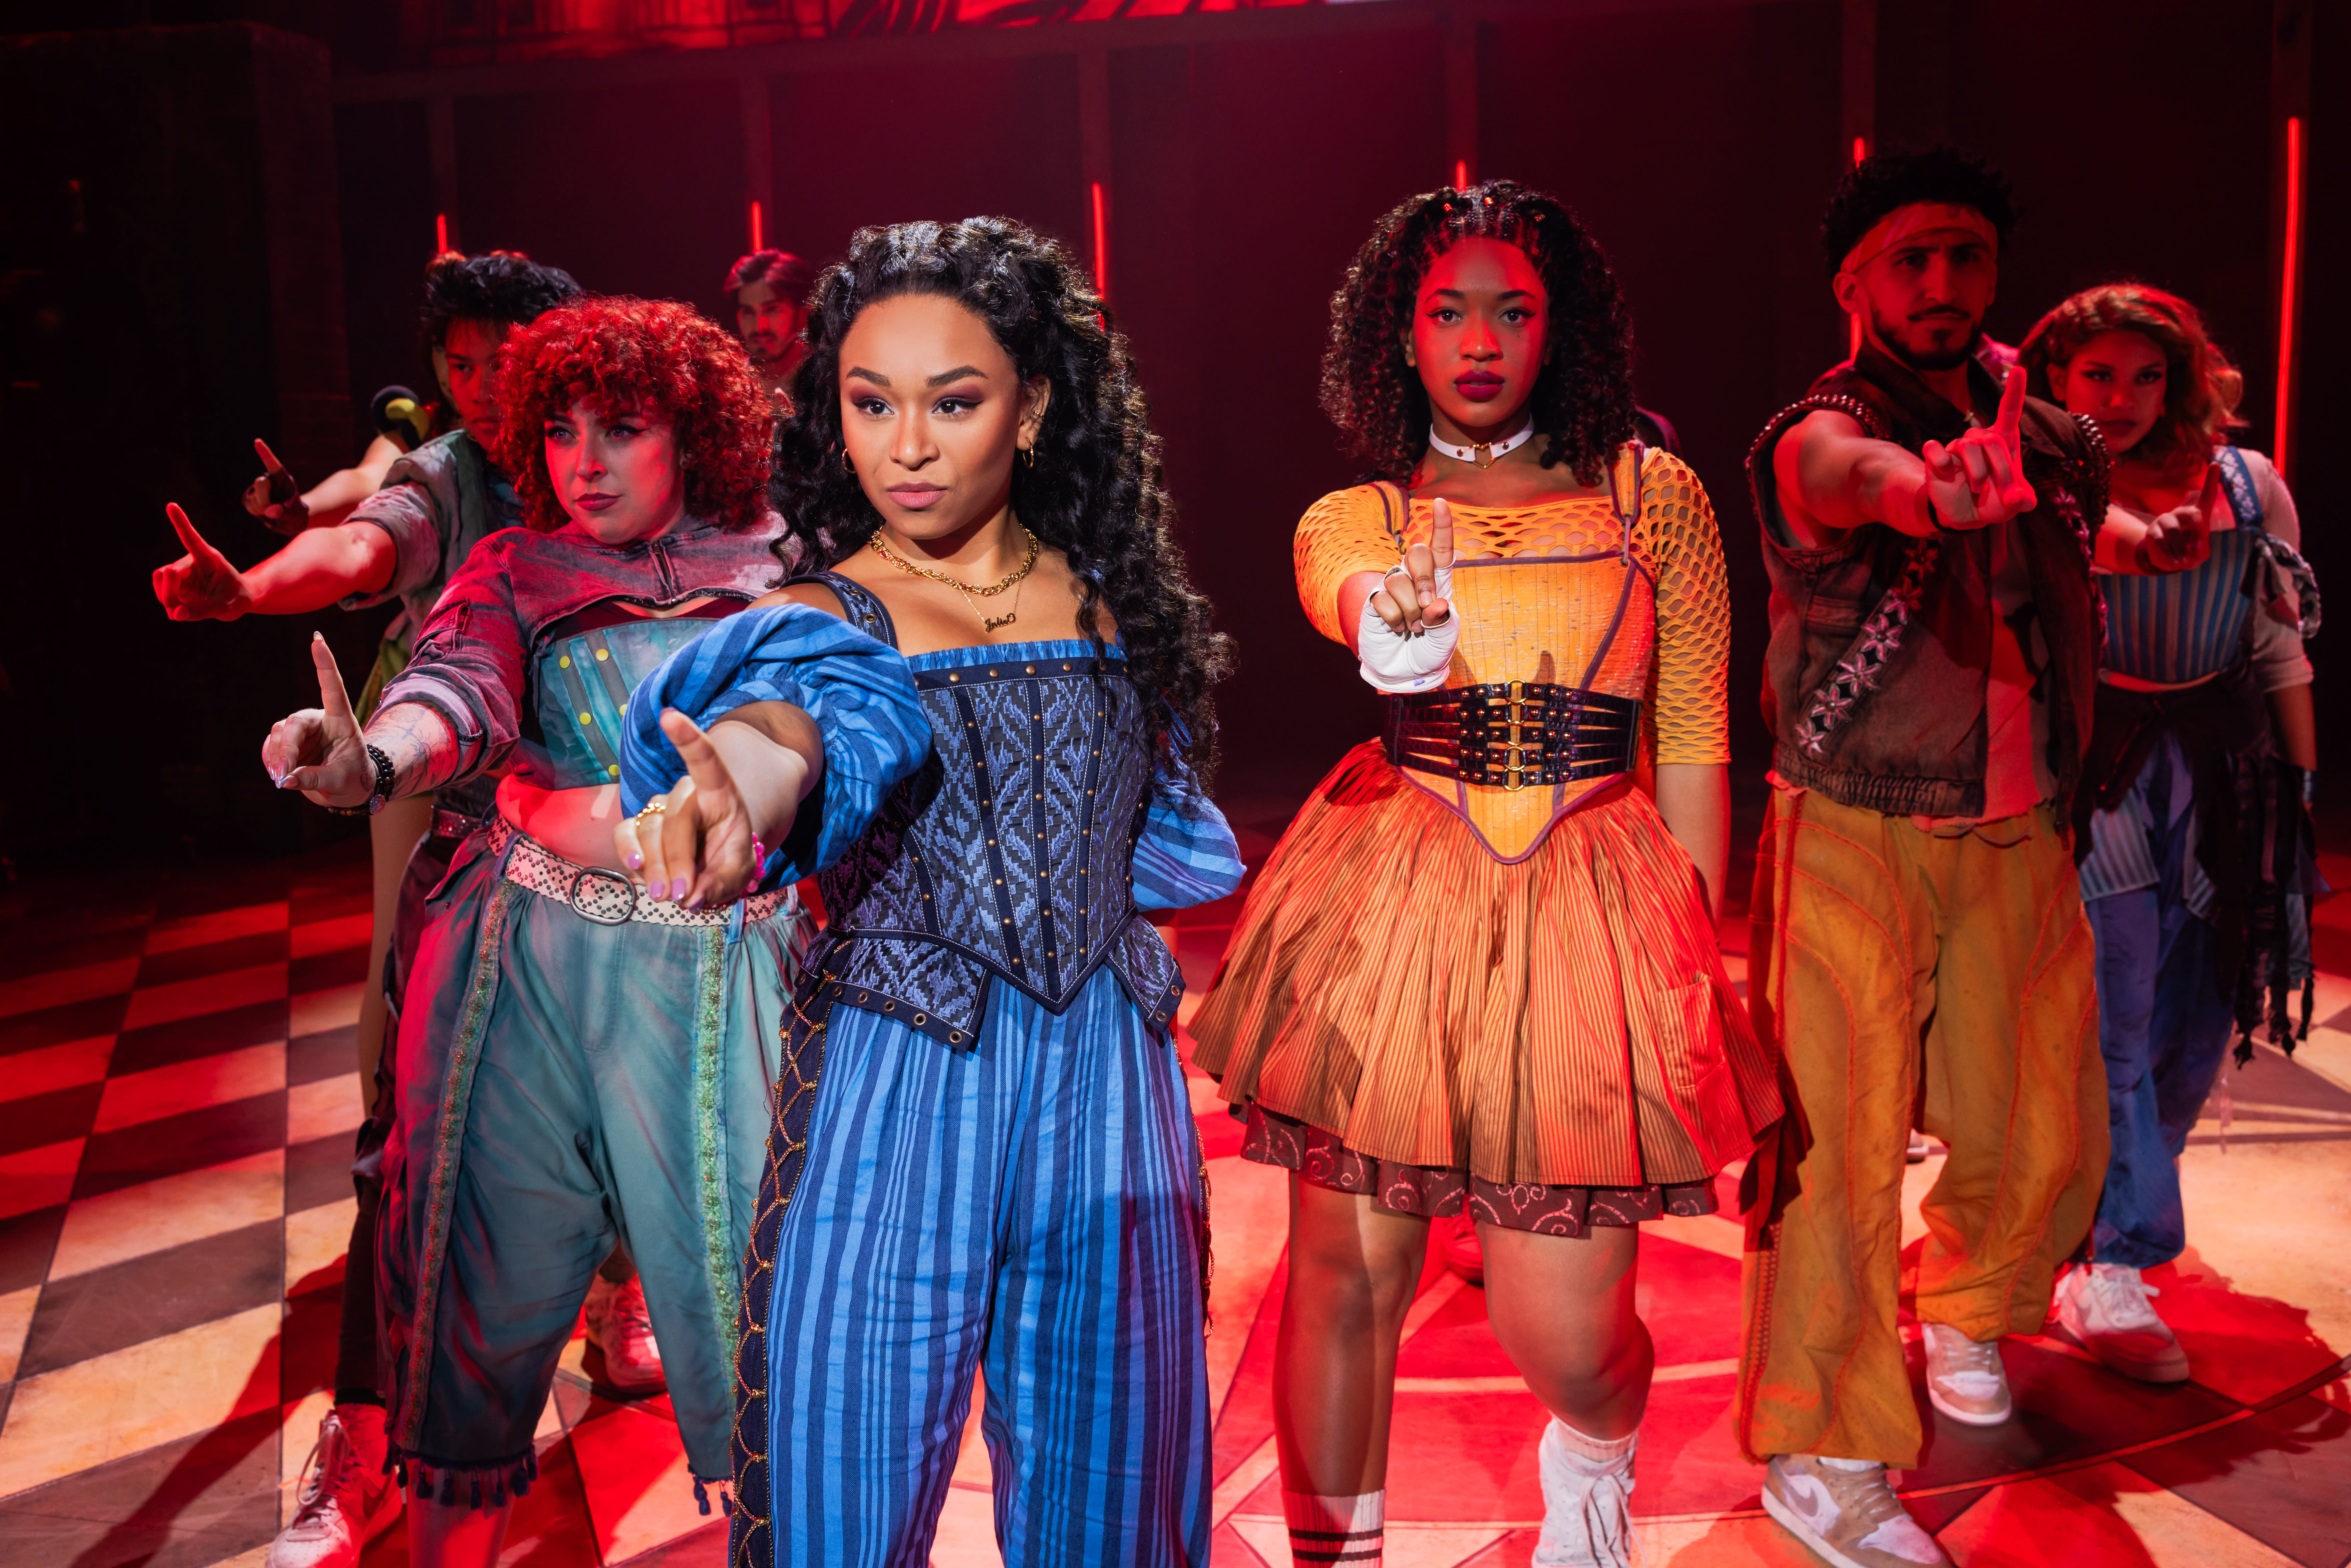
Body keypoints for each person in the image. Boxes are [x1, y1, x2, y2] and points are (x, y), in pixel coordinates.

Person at [616, 216, 1239, 1565]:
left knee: (1120, 1511)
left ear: (1033, 408)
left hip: (1108, 1091)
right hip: (893, 1088)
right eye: (870, 402)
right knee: (839, 1500)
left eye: (952, 403)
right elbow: (795, 726)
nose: (905, 445)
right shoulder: (829, 617)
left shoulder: (1116, 601)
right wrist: (736, 793)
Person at [260, 296, 912, 1568]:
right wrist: (370, 757)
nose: (584, 463)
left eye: (622, 428)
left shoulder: (788, 560)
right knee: (483, 1299)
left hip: (735, 976)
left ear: (696, 431)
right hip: (538, 979)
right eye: (559, 433)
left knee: (775, 1323)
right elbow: (456, 686)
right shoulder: (517, 568)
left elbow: (845, 722)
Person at [1186, 181, 1783, 1568]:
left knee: (1563, 1333)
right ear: (1397, 334)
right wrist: (1384, 628)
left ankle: (1593, 1450)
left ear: (1556, 328)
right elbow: (1340, 583)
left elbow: (1694, 743)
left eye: (1510, 311)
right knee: (1347, 1276)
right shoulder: (1362, 513)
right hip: (1390, 891)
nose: (1477, 341)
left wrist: (1689, 978)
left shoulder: (1654, 497)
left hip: (1587, 898)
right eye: (1445, 311)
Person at [1738, 147, 2215, 1568]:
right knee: (1833, 1158)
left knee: (2040, 1130)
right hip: (1852, 828)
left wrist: (2145, 539)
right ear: (1854, 282)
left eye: (1965, 256)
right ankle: (1819, 1448)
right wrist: (1926, 495)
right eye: (1910, 258)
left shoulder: (2043, 431)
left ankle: (1963, 1314)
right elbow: (1857, 480)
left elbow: (2058, 522)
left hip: (2022, 823)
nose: (1941, 282)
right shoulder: (1816, 427)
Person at [2020, 283, 2318, 1384]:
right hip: (2097, 773)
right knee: (2115, 1009)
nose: (2123, 396)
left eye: (2147, 376)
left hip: (2219, 770)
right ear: (2057, 380)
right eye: (2097, 375)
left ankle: (2117, 1225)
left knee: (2197, 1018)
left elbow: (2279, 650)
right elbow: (2075, 558)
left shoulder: (2248, 484)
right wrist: (2147, 539)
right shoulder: (2046, 486)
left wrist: (2297, 793)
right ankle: (2109, 1260)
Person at [727, 248, 817, 409]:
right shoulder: (728, 387)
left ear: (803, 313)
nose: (760, 327)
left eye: (772, 310)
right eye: (748, 312)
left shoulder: (827, 383)